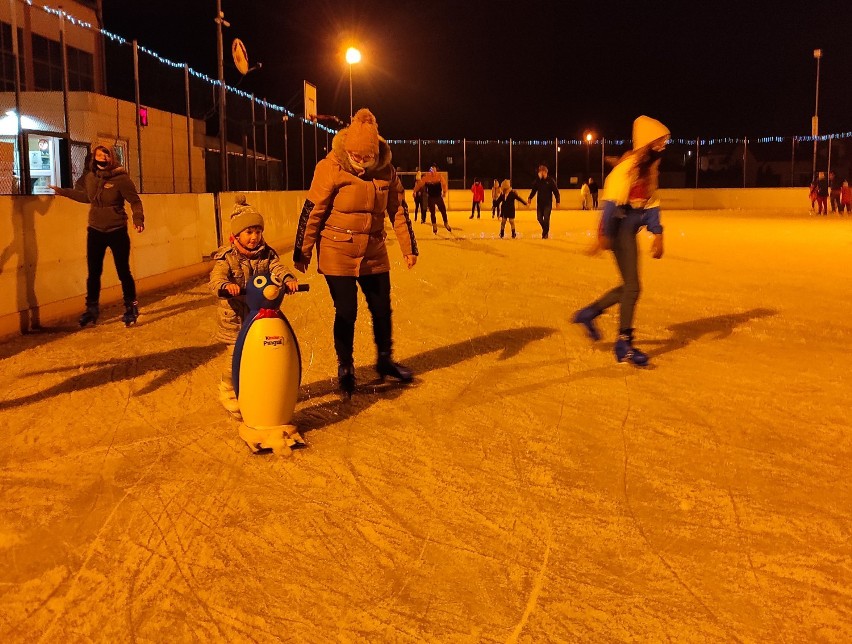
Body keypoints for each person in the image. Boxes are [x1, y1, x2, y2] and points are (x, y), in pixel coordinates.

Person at [293, 108, 418, 396]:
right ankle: (346, 366)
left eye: (367, 158)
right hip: (338, 250)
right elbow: (313, 210)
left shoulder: (386, 171)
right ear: (347, 150)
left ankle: (385, 361)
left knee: (381, 309)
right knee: (347, 311)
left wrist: (408, 247)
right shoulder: (331, 167)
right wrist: (303, 250)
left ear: (376, 153)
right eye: (356, 157)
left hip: (373, 250)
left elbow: (398, 209)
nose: (361, 163)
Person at [572, 115, 669, 366]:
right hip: (619, 230)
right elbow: (611, 203)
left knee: (628, 286)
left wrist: (657, 233)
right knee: (633, 287)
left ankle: (589, 314)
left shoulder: (648, 170)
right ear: (648, 142)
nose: (663, 146)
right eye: (660, 141)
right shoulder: (626, 170)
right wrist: (602, 233)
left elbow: (651, 204)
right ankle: (623, 343)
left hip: (629, 229)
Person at [209, 195, 299, 416]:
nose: (254, 237)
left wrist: (287, 279)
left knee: (259, 355)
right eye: (249, 232)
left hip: (259, 315)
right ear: (236, 235)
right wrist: (226, 285)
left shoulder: (266, 254)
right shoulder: (227, 258)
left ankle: (255, 390)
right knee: (235, 357)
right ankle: (228, 391)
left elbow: (277, 267)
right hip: (235, 318)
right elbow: (216, 279)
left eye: (257, 232)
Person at [50, 145, 144, 327]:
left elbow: (135, 201)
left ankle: (131, 306)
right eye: (98, 154)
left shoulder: (121, 179)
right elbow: (86, 197)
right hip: (95, 230)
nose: (101, 157)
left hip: (117, 230)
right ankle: (91, 308)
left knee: (123, 271)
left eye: (105, 154)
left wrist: (138, 219)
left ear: (111, 158)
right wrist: (63, 191)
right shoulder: (90, 177)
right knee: (93, 273)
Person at [527, 165, 560, 239]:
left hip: (547, 204)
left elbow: (556, 192)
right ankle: (546, 230)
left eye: (541, 172)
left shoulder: (550, 181)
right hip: (539, 204)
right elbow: (534, 190)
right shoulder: (538, 181)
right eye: (539, 172)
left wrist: (558, 201)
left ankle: (545, 233)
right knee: (539, 218)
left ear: (545, 172)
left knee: (546, 218)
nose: (539, 173)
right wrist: (530, 198)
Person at [423, 163, 451, 234]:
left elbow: (444, 184)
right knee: (432, 212)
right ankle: (434, 225)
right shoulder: (427, 178)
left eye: (434, 170)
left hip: (438, 197)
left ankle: (446, 223)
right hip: (431, 197)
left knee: (443, 210)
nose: (433, 172)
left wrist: (444, 192)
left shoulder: (439, 177)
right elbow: (421, 184)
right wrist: (415, 191)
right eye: (431, 171)